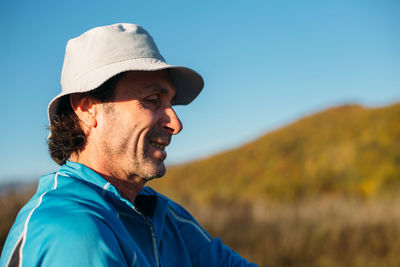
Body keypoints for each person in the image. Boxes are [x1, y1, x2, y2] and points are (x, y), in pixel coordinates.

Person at [0, 23, 257, 266]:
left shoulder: (166, 217)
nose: (176, 124)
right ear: (87, 108)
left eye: (170, 102)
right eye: (152, 100)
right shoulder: (71, 230)